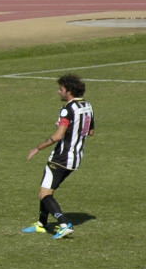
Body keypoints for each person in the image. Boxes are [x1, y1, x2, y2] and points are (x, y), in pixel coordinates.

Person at [23, 73, 94, 239]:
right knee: (48, 188)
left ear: (68, 91)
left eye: (61, 89)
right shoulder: (87, 106)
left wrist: (37, 148)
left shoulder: (67, 110)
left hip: (60, 158)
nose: (58, 92)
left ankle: (64, 224)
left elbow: (57, 137)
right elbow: (90, 131)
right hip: (75, 158)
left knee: (44, 194)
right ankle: (41, 223)